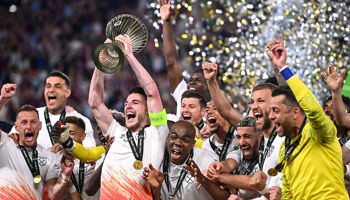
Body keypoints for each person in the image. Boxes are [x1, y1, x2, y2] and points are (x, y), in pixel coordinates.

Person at [268, 35, 348, 199]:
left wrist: (283, 67)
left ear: (295, 113)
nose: (270, 116)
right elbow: (289, 194)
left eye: (275, 110)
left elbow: (311, 107)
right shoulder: (284, 150)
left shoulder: (319, 131)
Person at [88, 35, 168, 199]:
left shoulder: (157, 133)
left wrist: (129, 56)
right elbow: (95, 103)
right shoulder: (116, 133)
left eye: (136, 103)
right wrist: (101, 63)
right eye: (126, 103)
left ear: (148, 112)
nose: (128, 106)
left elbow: (152, 93)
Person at [204, 61, 283, 199]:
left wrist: (280, 67)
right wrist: (211, 81)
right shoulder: (258, 133)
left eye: (261, 101)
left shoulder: (285, 137)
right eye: (252, 102)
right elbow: (226, 111)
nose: (254, 106)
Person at [0, 83, 74, 200]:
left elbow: (53, 195)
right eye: (24, 122)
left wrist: (65, 175)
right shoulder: (5, 144)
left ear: (40, 126)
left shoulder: (49, 156)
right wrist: (2, 99)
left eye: (33, 122)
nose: (29, 127)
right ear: (16, 127)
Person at [10, 71, 96, 152]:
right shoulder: (30, 116)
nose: (51, 90)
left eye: (57, 86)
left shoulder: (81, 121)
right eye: (48, 86)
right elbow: (10, 145)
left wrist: (66, 146)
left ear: (67, 93)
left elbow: (90, 155)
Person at [142, 120, 229, 200]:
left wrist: (202, 179)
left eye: (185, 140)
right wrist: (156, 189)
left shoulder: (205, 160)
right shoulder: (159, 158)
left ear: (193, 144)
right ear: (168, 138)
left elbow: (226, 197)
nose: (178, 143)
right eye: (174, 137)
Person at [158, 0, 210, 117]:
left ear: (209, 88)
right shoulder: (183, 93)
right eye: (191, 80)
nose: (191, 82)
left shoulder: (215, 112)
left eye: (198, 80)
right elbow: (171, 63)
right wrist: (166, 22)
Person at [60, 116, 102, 200]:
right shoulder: (54, 161)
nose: (66, 137)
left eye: (71, 133)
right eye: (64, 133)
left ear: (83, 136)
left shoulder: (93, 163)